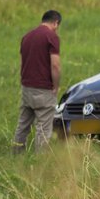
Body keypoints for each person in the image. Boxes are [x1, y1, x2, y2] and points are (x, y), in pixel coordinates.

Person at [15, 9, 62, 153]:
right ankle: (40, 161)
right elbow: (55, 65)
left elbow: (23, 62)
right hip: (43, 89)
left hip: (27, 87)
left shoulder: (27, 36)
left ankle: (16, 154)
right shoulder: (51, 37)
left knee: (23, 124)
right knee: (43, 127)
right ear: (55, 23)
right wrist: (55, 86)